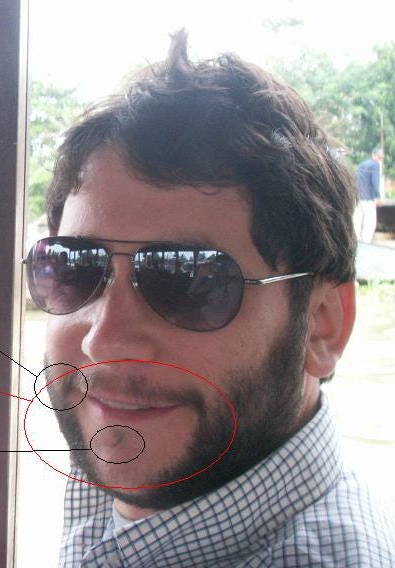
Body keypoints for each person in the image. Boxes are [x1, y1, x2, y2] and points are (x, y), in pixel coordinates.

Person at [23, 31, 394, 567]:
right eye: (74, 267)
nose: (104, 340)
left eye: (188, 280)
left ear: (321, 325)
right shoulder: (137, 502)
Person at [355, 147, 384, 243]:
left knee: (358, 219)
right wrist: (378, 196)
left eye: (381, 158)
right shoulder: (375, 165)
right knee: (370, 221)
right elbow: (375, 182)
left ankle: (357, 239)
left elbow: (356, 179)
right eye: (380, 157)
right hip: (368, 198)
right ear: (374, 155)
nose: (380, 159)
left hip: (358, 196)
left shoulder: (361, 164)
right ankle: (366, 241)